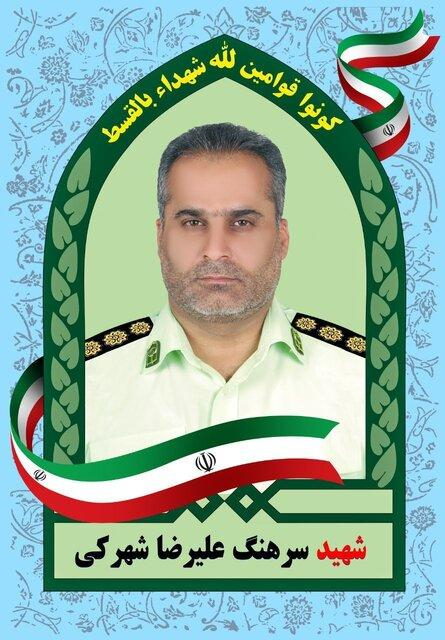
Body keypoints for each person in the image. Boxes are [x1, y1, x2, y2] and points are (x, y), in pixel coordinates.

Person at [85, 123, 365, 479]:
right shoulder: (82, 383)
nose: (215, 251)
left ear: (281, 239)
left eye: (242, 222)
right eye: (192, 222)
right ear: (160, 237)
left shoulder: (366, 379)